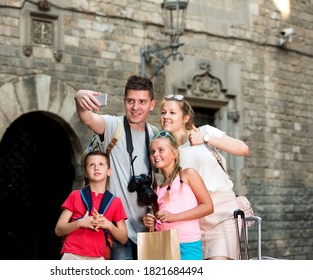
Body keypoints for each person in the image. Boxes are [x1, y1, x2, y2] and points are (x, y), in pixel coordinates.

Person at [74, 75, 157, 260]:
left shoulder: (155, 135)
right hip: (117, 230)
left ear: (152, 105)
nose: (135, 107)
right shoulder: (113, 126)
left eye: (142, 102)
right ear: (124, 102)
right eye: (131, 101)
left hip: (148, 230)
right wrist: (79, 97)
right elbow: (87, 117)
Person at [159, 94, 250, 260]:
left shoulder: (205, 131)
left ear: (186, 117)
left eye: (172, 112)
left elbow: (243, 149)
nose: (166, 116)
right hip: (194, 220)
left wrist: (206, 139)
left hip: (223, 214)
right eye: (163, 112)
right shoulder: (167, 150)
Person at [142, 130, 213, 260]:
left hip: (188, 245)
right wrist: (151, 223)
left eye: (161, 150)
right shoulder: (157, 188)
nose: (155, 155)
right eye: (153, 151)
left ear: (174, 153)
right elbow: (161, 222)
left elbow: (208, 206)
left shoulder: (188, 175)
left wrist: (175, 217)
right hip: (164, 245)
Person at [55, 151, 128, 260]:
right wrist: (79, 223)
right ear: (85, 173)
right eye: (91, 165)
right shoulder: (75, 195)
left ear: (109, 171)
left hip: (98, 257)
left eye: (101, 164)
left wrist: (109, 225)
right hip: (71, 254)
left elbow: (124, 238)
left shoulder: (115, 202)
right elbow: (58, 230)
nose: (96, 168)